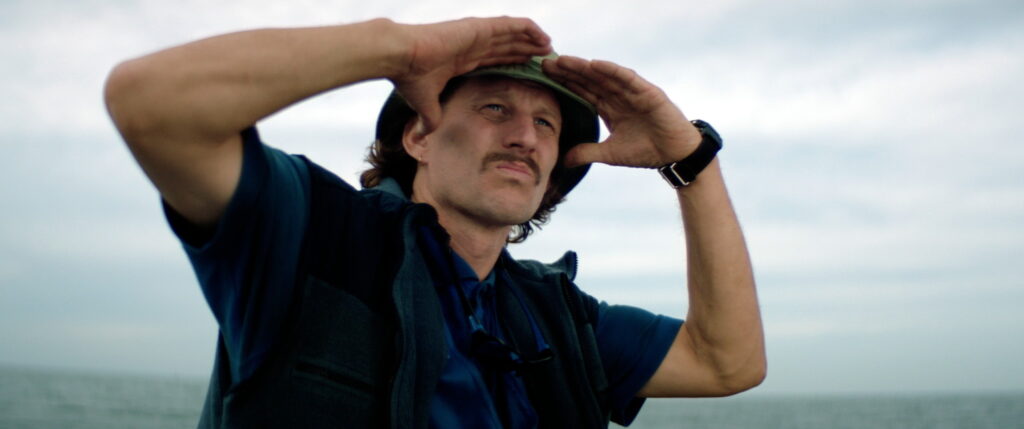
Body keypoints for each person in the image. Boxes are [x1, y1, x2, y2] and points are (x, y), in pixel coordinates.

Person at [104, 16, 765, 428]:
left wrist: (691, 161)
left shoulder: (559, 318)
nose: (526, 136)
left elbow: (728, 362)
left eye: (546, 123)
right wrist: (400, 48)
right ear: (419, 135)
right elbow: (150, 104)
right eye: (496, 109)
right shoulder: (312, 235)